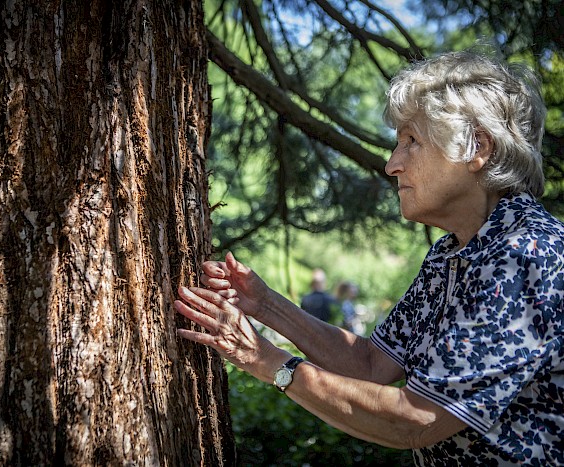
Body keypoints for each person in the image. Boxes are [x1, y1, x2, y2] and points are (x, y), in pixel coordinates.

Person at [174, 50, 564, 465]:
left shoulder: (526, 257)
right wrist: (266, 305)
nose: (392, 164)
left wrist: (265, 360)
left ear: (477, 147)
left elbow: (416, 420)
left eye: (411, 142)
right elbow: (370, 364)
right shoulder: (452, 253)